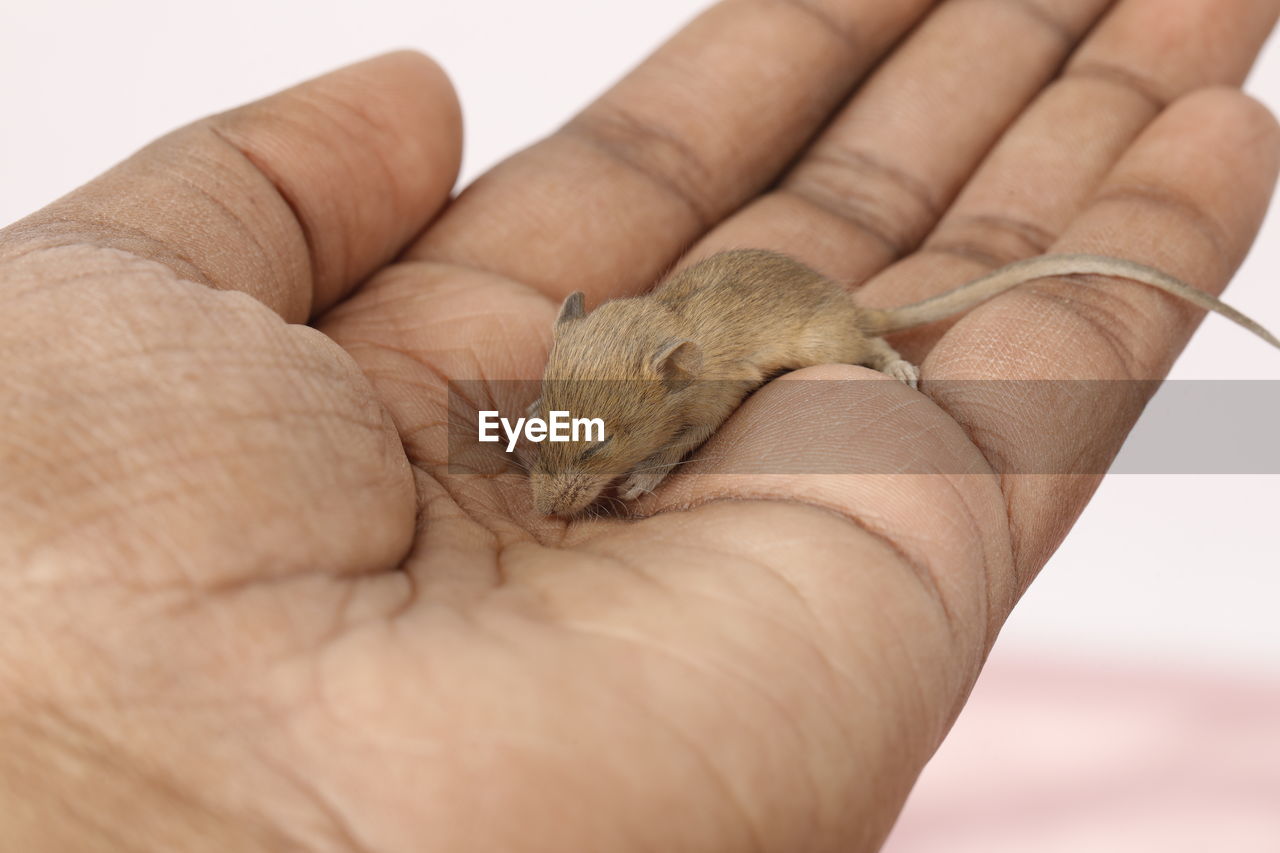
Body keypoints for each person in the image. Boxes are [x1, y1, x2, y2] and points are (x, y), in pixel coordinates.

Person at [1, 0, 1276, 849]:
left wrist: (668, 451)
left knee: (835, 342)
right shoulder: (584, 368)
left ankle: (876, 344)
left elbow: (679, 425)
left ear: (663, 384)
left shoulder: (687, 376)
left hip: (805, 316)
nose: (559, 478)